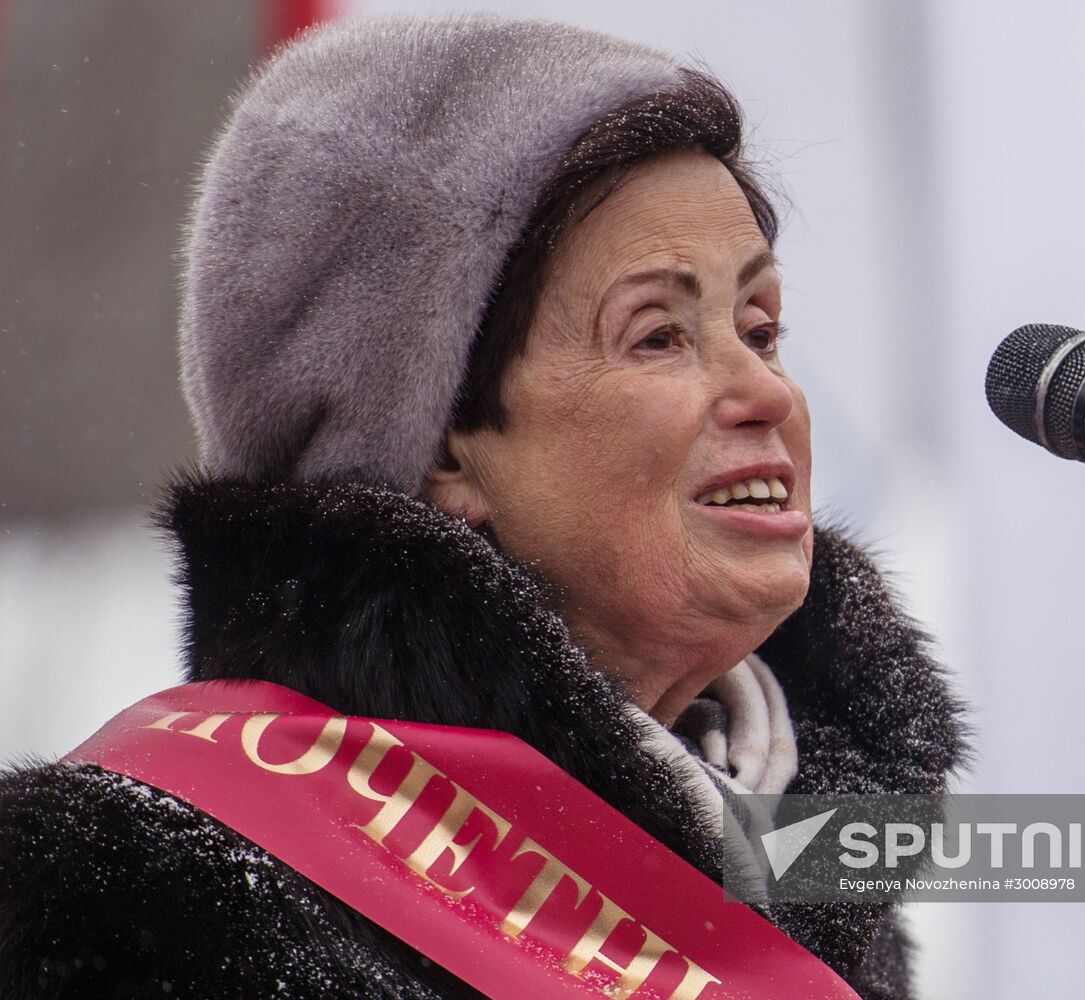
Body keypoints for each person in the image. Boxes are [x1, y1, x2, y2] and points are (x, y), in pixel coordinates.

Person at [0, 14, 965, 999]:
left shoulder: (811, 871)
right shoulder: (127, 897)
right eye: (658, 336)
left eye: (759, 329)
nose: (768, 393)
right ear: (441, 438)